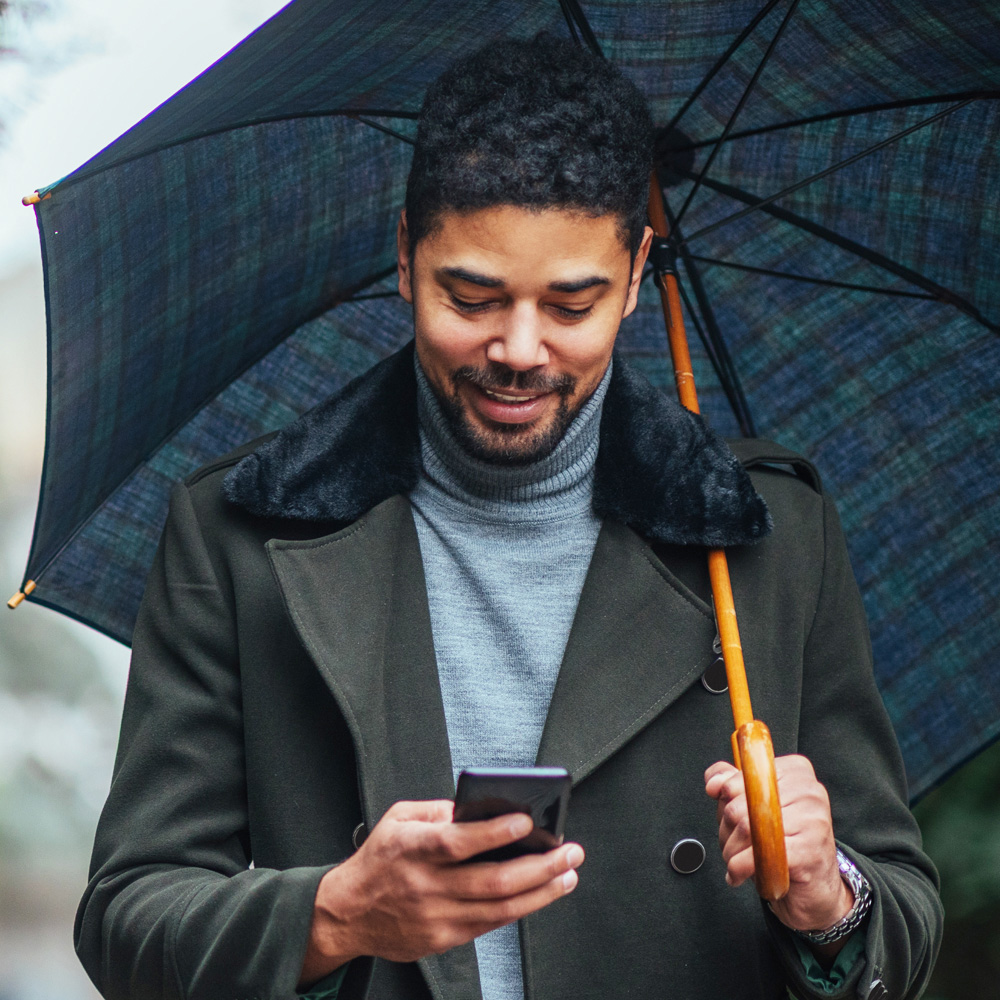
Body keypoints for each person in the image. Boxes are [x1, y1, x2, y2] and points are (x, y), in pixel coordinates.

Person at [75, 34, 942, 1000]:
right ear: (407, 255)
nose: (519, 350)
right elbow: (128, 921)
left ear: (636, 272)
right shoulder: (240, 533)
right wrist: (337, 915)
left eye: (572, 305)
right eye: (473, 295)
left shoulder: (769, 534)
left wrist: (833, 897)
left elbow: (898, 922)